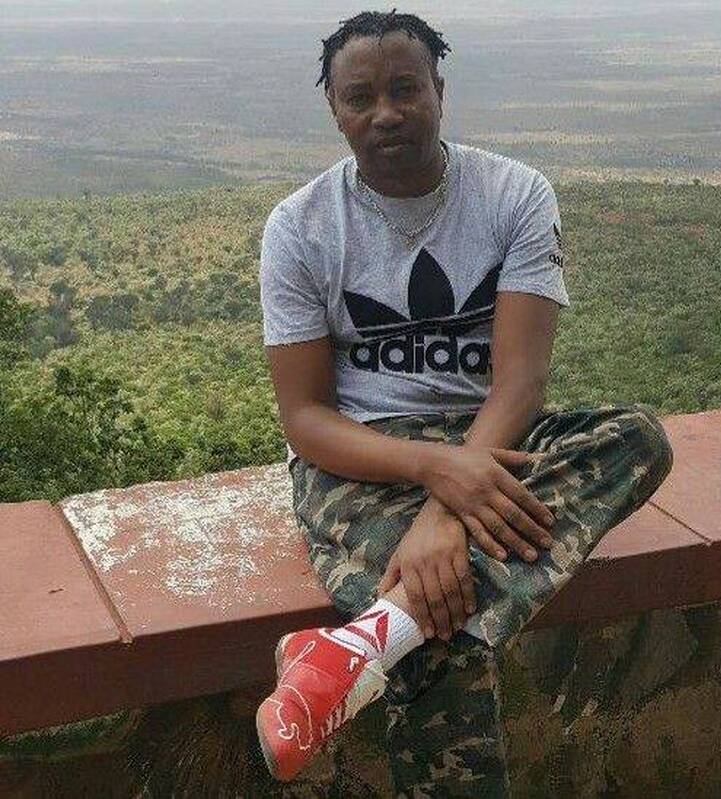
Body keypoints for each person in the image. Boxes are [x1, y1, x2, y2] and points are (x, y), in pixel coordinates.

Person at [255, 10, 674, 796]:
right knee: (443, 628)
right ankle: (387, 635)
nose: (386, 112)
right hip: (367, 456)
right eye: (361, 97)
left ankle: (356, 645)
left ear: (439, 91)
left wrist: (449, 503)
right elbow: (305, 418)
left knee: (637, 437)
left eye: (405, 88)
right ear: (335, 111)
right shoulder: (300, 227)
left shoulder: (513, 195)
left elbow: (520, 383)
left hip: (494, 432)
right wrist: (436, 473)